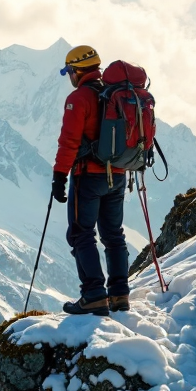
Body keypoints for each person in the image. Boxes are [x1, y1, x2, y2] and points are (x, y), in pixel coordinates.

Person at [52, 45, 130, 316]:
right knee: (113, 235)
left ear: (75, 70)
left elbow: (69, 141)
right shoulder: (115, 95)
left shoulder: (79, 98)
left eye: (68, 72)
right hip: (118, 175)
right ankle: (120, 295)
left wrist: (59, 176)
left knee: (81, 233)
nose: (69, 77)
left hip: (89, 177)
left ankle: (94, 295)